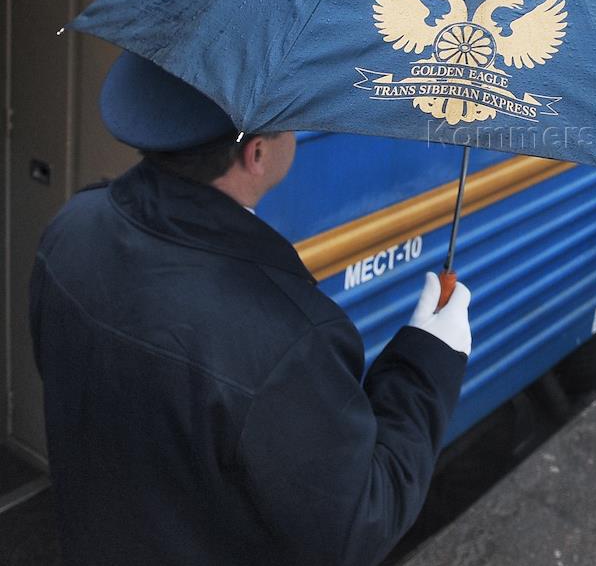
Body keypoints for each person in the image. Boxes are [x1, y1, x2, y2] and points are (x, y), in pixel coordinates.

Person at [29, 51, 471, 566]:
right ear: (256, 154)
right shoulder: (284, 336)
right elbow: (358, 523)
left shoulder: (71, 226)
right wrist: (427, 360)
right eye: (291, 123)